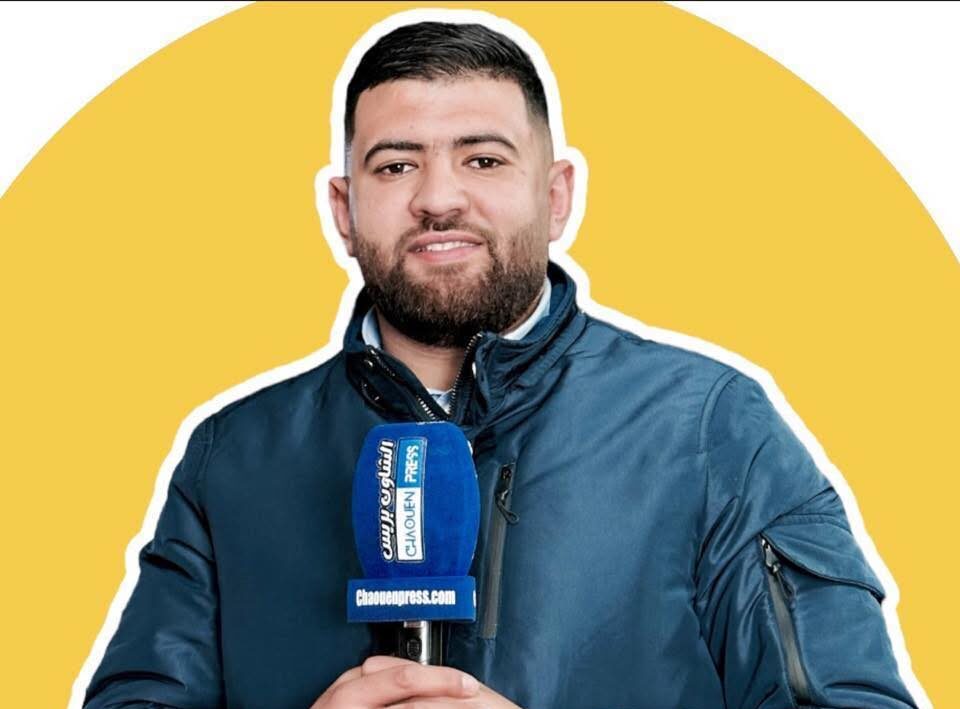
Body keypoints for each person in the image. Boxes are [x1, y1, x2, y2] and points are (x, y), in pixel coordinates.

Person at [82, 18, 920, 709]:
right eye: (396, 164)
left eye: (482, 159)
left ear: (556, 197)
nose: (439, 197)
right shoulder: (231, 458)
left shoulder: (713, 431)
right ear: (344, 209)